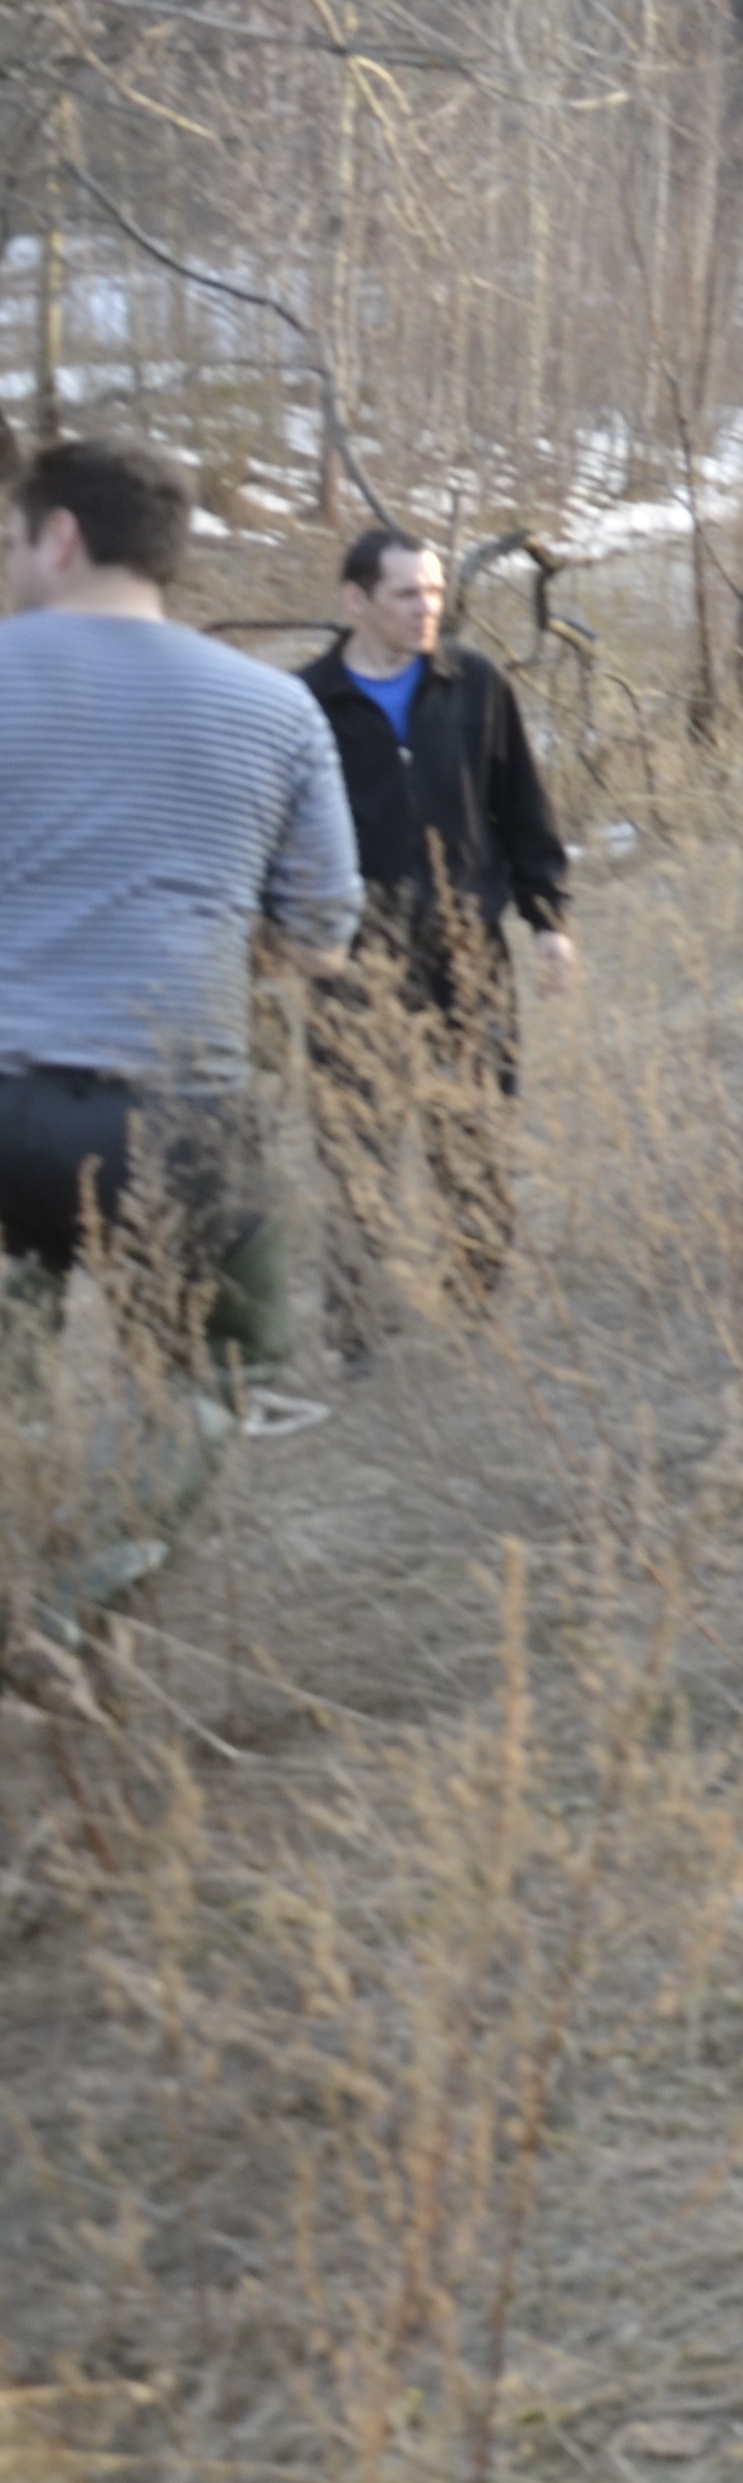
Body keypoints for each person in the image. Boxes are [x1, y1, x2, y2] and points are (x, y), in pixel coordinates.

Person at [0, 438, 366, 1629]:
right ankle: (74, 1605)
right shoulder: (276, 708)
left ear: (60, 536)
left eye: (14, 539)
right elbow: (322, 933)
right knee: (219, 1363)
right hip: (177, 1109)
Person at [291, 530, 575, 1319]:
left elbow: (523, 807)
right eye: (408, 594)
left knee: (475, 1126)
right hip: (354, 961)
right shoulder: (305, 703)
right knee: (356, 1142)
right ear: (355, 600)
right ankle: (360, 1327)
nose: (428, 609)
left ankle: (476, 1306)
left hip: (468, 950)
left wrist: (548, 918)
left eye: (436, 592)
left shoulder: (474, 683)